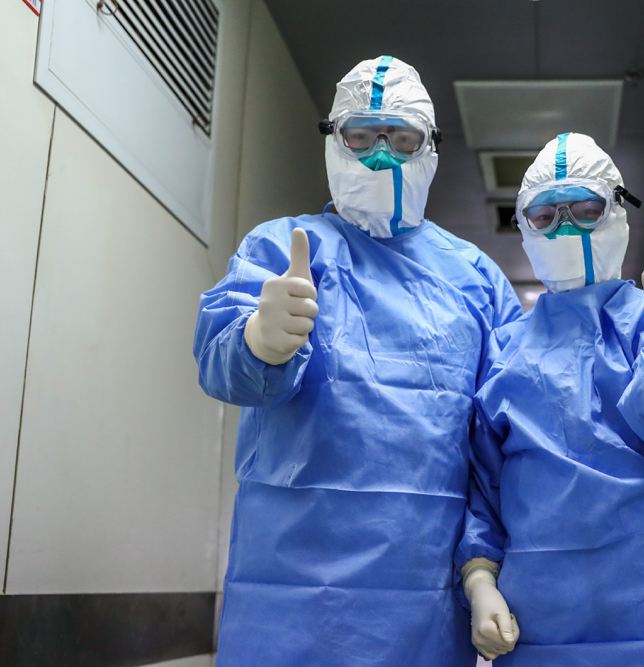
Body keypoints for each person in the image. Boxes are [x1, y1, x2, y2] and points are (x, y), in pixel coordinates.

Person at [193, 55, 522, 667]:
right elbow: (219, 366)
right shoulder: (282, 247)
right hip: (285, 587)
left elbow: (499, 446)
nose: (381, 157)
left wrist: (481, 570)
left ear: (430, 148)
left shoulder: (476, 279)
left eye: (402, 139)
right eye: (361, 136)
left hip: (423, 597)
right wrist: (258, 341)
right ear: (332, 140)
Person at [456, 133, 644, 665]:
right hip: (543, 624)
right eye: (545, 215)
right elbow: (485, 489)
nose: (566, 227)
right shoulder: (505, 353)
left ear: (618, 213)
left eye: (586, 209)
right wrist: (480, 580)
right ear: (523, 228)